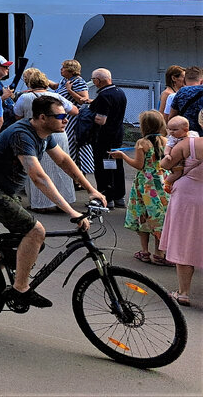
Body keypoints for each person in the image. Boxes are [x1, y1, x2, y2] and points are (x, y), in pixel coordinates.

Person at [0, 95, 103, 308]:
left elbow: (63, 160)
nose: (66, 120)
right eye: (60, 116)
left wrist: (92, 190)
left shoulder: (45, 134)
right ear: (42, 117)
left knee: (32, 242)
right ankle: (21, 289)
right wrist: (71, 211)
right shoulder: (22, 135)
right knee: (35, 232)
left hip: (3, 189)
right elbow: (38, 177)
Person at [109, 111, 170, 265]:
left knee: (143, 215)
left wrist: (123, 156)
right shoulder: (166, 141)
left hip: (146, 184)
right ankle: (159, 252)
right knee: (159, 216)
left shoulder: (142, 143)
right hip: (162, 180)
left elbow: (139, 165)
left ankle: (144, 251)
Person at [12, 68, 75, 211]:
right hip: (59, 134)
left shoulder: (25, 97)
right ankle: (64, 202)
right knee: (61, 167)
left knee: (38, 168)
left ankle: (41, 203)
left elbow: (17, 115)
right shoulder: (56, 97)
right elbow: (74, 110)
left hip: (35, 135)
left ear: (29, 83)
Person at [159, 128, 203, 306]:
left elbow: (165, 164)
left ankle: (183, 292)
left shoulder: (188, 143)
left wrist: (166, 154)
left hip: (187, 196)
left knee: (184, 242)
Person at [80, 68, 127, 208]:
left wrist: (86, 114)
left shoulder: (103, 96)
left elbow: (101, 120)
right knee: (117, 165)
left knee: (103, 167)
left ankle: (106, 197)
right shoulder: (119, 92)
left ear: (98, 80)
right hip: (117, 135)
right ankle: (119, 196)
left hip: (103, 137)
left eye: (93, 79)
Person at [55, 59, 93, 174]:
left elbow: (83, 100)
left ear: (70, 70)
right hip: (65, 118)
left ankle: (76, 174)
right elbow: (56, 87)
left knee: (71, 144)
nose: (61, 70)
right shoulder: (65, 80)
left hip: (73, 119)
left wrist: (70, 90)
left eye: (63, 68)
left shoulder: (78, 82)